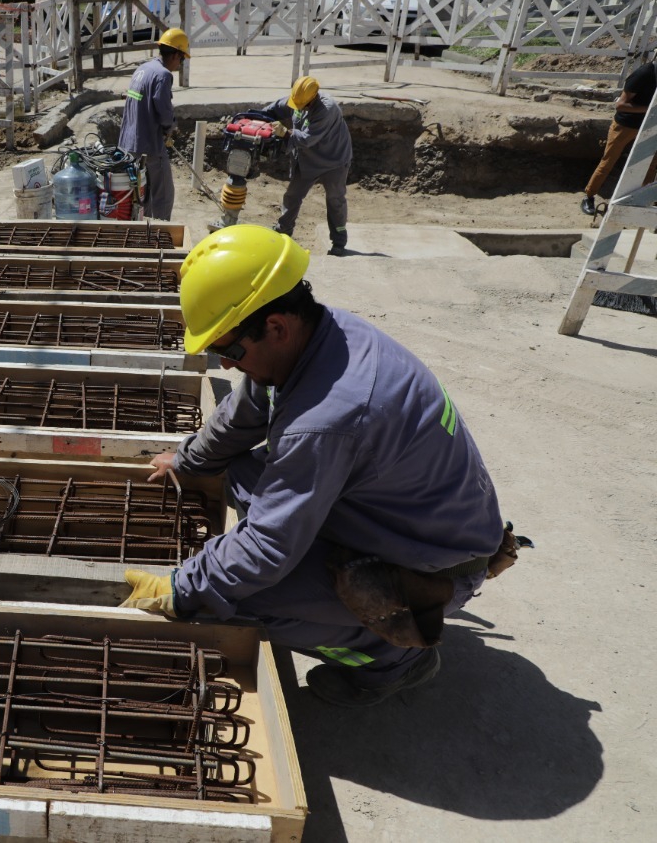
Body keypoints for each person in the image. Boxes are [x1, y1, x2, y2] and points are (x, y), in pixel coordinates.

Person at [121, 225, 521, 707]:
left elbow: (269, 547)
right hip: (411, 519)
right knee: (237, 472)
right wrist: (188, 460)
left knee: (236, 599)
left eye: (227, 351)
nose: (224, 366)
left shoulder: (329, 418)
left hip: (432, 562)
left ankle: (388, 658)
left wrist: (183, 585)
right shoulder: (321, 336)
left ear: (275, 327)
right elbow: (248, 411)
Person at [259, 76, 352, 255]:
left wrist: (285, 132)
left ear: (312, 98)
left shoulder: (327, 109)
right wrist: (257, 116)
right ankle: (283, 231)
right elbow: (274, 109)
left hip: (334, 160)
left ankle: (339, 242)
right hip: (308, 159)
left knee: (335, 199)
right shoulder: (299, 99)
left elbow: (308, 139)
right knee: (293, 196)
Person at [118, 28, 189, 221]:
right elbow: (165, 113)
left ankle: (144, 231)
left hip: (129, 144)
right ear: (175, 54)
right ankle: (161, 234)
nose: (179, 64)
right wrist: (170, 128)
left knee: (143, 193)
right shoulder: (163, 75)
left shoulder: (143, 69)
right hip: (149, 145)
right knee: (163, 194)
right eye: (181, 59)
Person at [581, 58, 657, 216]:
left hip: (650, 125)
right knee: (609, 160)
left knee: (651, 164)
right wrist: (649, 108)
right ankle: (589, 196)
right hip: (626, 124)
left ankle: (643, 201)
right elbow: (621, 104)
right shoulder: (643, 74)